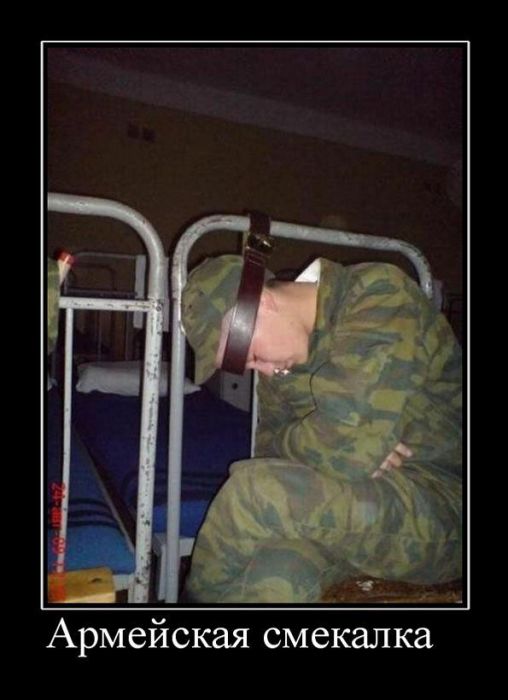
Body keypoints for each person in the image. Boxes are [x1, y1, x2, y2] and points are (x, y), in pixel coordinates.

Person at [180, 253, 462, 603]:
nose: (260, 370)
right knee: (274, 577)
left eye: (247, 355)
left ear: (261, 303)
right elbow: (272, 453)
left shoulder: (379, 293)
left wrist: (344, 445)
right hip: (349, 517)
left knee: (253, 491)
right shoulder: (280, 371)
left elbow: (346, 447)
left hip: (436, 506)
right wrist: (332, 441)